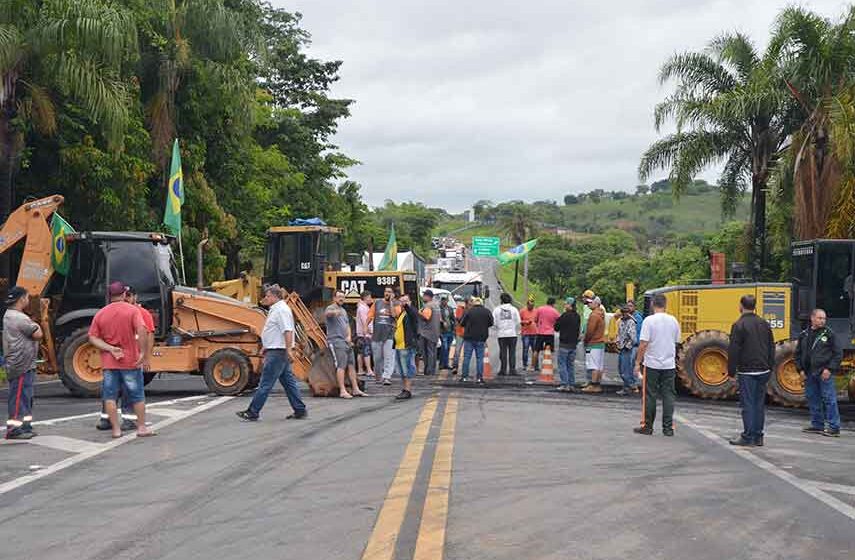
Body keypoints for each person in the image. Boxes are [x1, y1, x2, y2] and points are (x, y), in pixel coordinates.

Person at [88, 281, 155, 438]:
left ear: (109, 296)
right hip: (131, 361)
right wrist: (143, 353)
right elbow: (142, 330)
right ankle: (141, 428)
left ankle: (116, 430)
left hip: (109, 362)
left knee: (110, 396)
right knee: (137, 395)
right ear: (124, 294)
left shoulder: (101, 313)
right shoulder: (132, 311)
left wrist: (110, 348)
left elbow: (92, 337)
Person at [237, 285, 308, 421]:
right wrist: (266, 346)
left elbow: (287, 330)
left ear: (275, 296)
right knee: (288, 382)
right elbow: (275, 331)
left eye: (268, 296)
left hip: (278, 352)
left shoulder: (281, 310)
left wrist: (288, 349)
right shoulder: (277, 309)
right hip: (276, 350)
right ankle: (300, 409)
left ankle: (253, 411)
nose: (266, 298)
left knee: (266, 383)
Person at [727, 294, 775, 446]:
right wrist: (770, 366)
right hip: (763, 369)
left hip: (747, 370)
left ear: (741, 305)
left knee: (747, 404)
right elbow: (771, 347)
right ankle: (758, 436)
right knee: (759, 404)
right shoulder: (764, 324)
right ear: (755, 306)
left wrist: (731, 372)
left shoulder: (738, 325)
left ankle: (748, 436)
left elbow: (734, 350)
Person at [633, 293, 680, 436]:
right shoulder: (673, 321)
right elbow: (676, 342)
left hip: (652, 363)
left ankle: (647, 426)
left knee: (649, 395)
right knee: (668, 396)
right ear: (665, 305)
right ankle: (668, 428)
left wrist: (637, 362)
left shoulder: (649, 321)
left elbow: (643, 343)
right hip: (669, 364)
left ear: (653, 304)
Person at [796, 308, 842, 437]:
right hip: (809, 373)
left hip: (824, 373)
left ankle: (834, 427)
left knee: (829, 399)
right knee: (813, 399)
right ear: (812, 318)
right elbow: (798, 354)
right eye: (820, 318)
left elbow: (838, 354)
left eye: (824, 318)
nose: (822, 321)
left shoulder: (829, 334)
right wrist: (800, 370)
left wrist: (829, 369)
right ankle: (817, 425)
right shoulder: (804, 334)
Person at [4, 287, 43, 440]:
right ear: (21, 299)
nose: (28, 300)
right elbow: (38, 334)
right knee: (19, 397)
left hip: (24, 364)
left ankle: (25, 426)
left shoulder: (10, 315)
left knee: (26, 397)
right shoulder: (19, 318)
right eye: (27, 297)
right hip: (20, 364)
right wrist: (37, 323)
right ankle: (13, 429)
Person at [325, 290, 368, 399]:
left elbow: (347, 325)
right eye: (339, 297)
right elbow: (327, 314)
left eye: (343, 297)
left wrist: (349, 336)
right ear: (334, 298)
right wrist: (334, 313)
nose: (341, 299)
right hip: (336, 341)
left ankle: (355, 389)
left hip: (346, 342)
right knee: (341, 365)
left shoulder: (343, 311)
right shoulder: (331, 308)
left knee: (351, 365)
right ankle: (342, 390)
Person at [459, 297, 493, 383]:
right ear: (481, 303)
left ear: (474, 303)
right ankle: (479, 378)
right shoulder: (487, 311)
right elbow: (491, 323)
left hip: (469, 338)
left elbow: (462, 323)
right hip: (481, 338)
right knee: (479, 358)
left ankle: (464, 377)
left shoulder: (469, 311)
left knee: (467, 357)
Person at [369, 287, 398, 385]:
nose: (387, 293)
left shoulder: (395, 304)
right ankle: (378, 376)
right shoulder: (377, 303)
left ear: (392, 294)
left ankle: (387, 377)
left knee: (388, 357)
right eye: (386, 291)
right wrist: (365, 327)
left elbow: (394, 315)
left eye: (390, 292)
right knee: (377, 358)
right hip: (377, 335)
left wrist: (390, 302)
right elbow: (370, 316)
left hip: (389, 335)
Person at [393, 294, 420, 400]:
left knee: (407, 368)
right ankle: (404, 388)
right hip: (399, 345)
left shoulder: (411, 312)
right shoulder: (402, 313)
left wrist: (407, 306)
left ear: (410, 302)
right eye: (401, 301)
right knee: (401, 369)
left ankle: (408, 390)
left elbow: (413, 314)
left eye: (406, 301)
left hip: (407, 345)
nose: (403, 303)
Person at [554, 296, 580, 392]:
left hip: (564, 344)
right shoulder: (577, 316)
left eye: (566, 304)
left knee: (562, 365)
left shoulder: (564, 315)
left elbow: (556, 327)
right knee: (570, 365)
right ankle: (571, 384)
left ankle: (565, 384)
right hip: (573, 345)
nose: (564, 305)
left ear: (570, 305)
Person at [581, 297, 607, 394]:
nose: (588, 305)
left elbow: (590, 331)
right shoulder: (601, 314)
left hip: (593, 343)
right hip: (600, 343)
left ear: (596, 304)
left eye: (589, 303)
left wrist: (585, 340)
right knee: (599, 366)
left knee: (593, 366)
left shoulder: (594, 315)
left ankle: (593, 385)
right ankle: (597, 384)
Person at [493, 293, 521, 376]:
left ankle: (503, 369)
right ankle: (512, 370)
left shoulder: (497, 310)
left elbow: (493, 322)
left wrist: (499, 326)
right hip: (512, 334)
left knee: (503, 352)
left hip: (501, 334)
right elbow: (518, 321)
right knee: (512, 352)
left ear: (501, 300)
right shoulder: (514, 309)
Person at [615, 304, 639, 396]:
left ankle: (628, 387)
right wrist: (618, 342)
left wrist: (627, 345)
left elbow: (633, 338)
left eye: (625, 312)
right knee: (621, 368)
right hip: (622, 347)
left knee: (625, 369)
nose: (624, 314)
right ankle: (629, 386)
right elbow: (619, 334)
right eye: (623, 312)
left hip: (626, 348)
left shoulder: (631, 322)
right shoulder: (621, 321)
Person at [417, 289, 441, 375]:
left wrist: (419, 312)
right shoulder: (436, 305)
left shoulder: (428, 306)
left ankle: (428, 371)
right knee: (433, 352)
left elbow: (426, 317)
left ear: (428, 297)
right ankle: (432, 370)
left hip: (426, 333)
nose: (423, 297)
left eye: (424, 296)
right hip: (435, 333)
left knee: (427, 353)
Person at [533, 298, 560, 370]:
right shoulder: (555, 311)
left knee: (536, 350)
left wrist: (539, 325)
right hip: (550, 333)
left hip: (540, 332)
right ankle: (548, 365)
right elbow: (559, 321)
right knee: (549, 351)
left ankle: (533, 366)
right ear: (553, 303)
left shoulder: (539, 309)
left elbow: (535, 320)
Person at [355, 291, 374, 377]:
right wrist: (370, 330)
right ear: (366, 298)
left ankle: (360, 369)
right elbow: (365, 321)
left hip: (360, 334)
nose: (371, 299)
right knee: (366, 352)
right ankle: (369, 370)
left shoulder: (361, 307)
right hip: (365, 334)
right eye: (370, 297)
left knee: (360, 352)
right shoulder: (363, 308)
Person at [451, 297, 470, 374]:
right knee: (457, 351)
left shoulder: (471, 310)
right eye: (469, 303)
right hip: (460, 333)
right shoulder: (460, 309)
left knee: (467, 352)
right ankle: (455, 366)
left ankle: (465, 369)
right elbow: (459, 319)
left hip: (468, 334)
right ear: (466, 303)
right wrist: (466, 312)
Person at [519, 296, 538, 371]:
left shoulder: (536, 311)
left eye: (532, 305)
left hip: (534, 333)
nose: (531, 307)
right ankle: (525, 365)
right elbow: (519, 321)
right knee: (525, 349)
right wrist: (526, 322)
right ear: (527, 305)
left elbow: (538, 320)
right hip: (526, 333)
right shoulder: (522, 311)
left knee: (535, 350)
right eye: (530, 305)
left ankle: (535, 365)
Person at [438, 296, 455, 370]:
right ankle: (441, 364)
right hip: (443, 331)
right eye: (443, 300)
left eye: (445, 300)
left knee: (448, 348)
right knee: (444, 348)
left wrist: (453, 326)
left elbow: (453, 318)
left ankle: (446, 364)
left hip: (450, 330)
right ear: (441, 301)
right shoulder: (439, 309)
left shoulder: (450, 308)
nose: (444, 301)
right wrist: (442, 322)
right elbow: (438, 318)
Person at [627, 299, 644, 375]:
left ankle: (633, 383)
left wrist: (634, 342)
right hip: (631, 344)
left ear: (634, 307)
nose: (629, 307)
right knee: (629, 365)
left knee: (632, 365)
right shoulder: (630, 316)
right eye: (628, 306)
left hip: (635, 345)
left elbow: (637, 331)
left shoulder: (637, 317)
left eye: (630, 306)